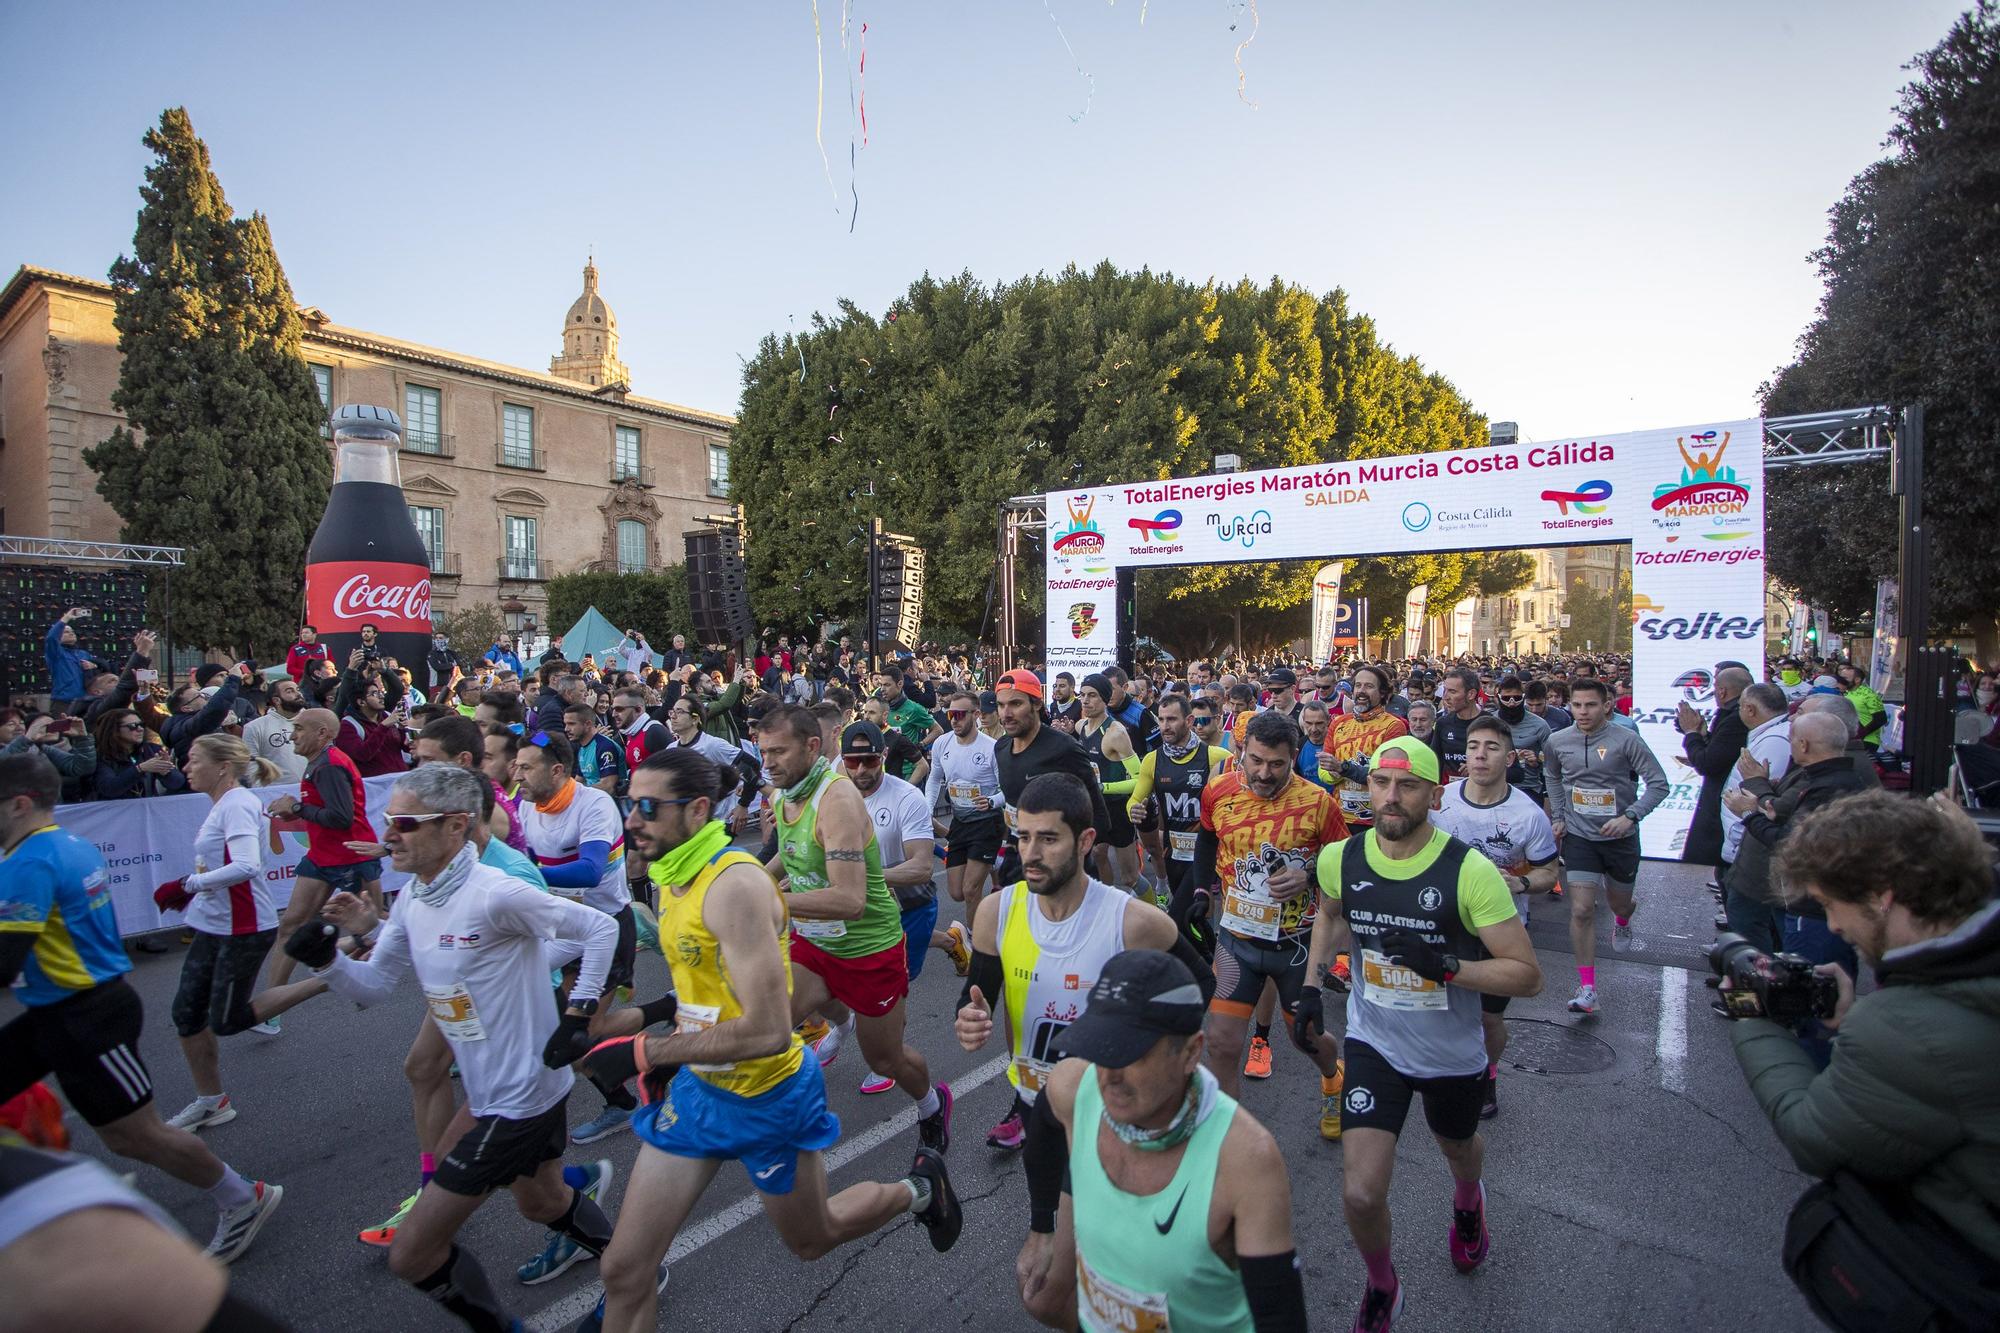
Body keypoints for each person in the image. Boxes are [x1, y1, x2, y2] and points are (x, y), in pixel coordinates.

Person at [585, 747, 963, 1333]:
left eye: (645, 806)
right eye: (627, 803)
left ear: (699, 809)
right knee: (625, 1270)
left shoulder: (731, 885)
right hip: (699, 1094)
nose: (630, 818)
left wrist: (646, 1050)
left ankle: (918, 1189)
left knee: (815, 1239)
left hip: (768, 1096)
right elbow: (705, 992)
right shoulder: (672, 875)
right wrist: (667, 1038)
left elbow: (764, 1030)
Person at [283, 763, 620, 1331]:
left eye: (406, 824)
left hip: (521, 1098)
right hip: (489, 1090)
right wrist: (328, 961)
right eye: (390, 821)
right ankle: (633, 1268)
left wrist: (579, 1015)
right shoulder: (415, 897)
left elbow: (601, 929)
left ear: (456, 826)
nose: (389, 834)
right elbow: (374, 987)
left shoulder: (495, 893)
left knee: (412, 1253)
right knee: (542, 1202)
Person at [0, 750, 283, 1264]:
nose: (188, 763)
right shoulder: (66, 844)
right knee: (184, 1024)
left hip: (87, 1016)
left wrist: (191, 886)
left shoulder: (31, 861)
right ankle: (48, 1201)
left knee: (136, 1136)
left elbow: (3, 962)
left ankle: (243, 1197)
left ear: (19, 804)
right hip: (61, 1008)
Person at [1300, 736, 1543, 1332]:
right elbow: (1331, 915)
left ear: (1434, 795)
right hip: (1374, 1042)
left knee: (1456, 1147)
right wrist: (1310, 987)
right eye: (1382, 782)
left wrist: (1449, 968)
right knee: (1360, 1193)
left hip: (1450, 1052)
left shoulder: (1469, 871)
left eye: (1407, 786)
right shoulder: (1342, 857)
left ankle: (1468, 1202)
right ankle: (1383, 1285)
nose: (1390, 796)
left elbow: (1527, 974)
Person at [1727, 792, 2000, 1271]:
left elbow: (1814, 1137)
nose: (1833, 924)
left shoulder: (1909, 1025)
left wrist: (1753, 1013)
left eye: (1831, 904)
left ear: (1882, 895)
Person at [1017, 949, 1308, 1332]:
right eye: (1103, 1047)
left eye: (1131, 1055)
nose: (1110, 1075)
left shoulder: (1244, 1158)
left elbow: (1280, 1319)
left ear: (1190, 1053)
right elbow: (1043, 1123)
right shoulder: (1076, 1086)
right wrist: (1042, 1226)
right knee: (1039, 1300)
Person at [955, 772, 1196, 1155]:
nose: (1030, 854)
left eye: (1048, 839)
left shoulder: (1131, 920)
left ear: (1084, 842)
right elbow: (975, 998)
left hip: (1113, 1109)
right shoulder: (995, 912)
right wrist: (970, 1018)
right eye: (1023, 837)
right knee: (1043, 1213)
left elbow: (1201, 993)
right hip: (1035, 1097)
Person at [755, 704, 952, 1148]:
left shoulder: (839, 800)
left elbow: (849, 898)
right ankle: (785, 1125)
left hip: (868, 946)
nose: (768, 763)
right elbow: (785, 859)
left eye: (778, 752)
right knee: (769, 1028)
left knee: (884, 1060)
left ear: (811, 748)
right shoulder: (783, 793)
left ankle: (932, 1106)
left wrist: (766, 902)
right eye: (763, 752)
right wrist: (742, 882)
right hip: (814, 939)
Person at [1192, 711, 1348, 1122]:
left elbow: (1346, 864)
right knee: (1222, 1044)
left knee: (1308, 1038)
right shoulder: (1218, 790)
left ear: (1294, 757)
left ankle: (1334, 1076)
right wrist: (1199, 889)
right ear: (1241, 752)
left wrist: (1309, 874)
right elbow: (1207, 837)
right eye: (1255, 760)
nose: (1264, 773)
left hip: (1297, 943)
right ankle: (1227, 1138)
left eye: (1277, 764)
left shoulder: (1318, 802)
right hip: (1236, 941)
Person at [514, 730, 640, 1146]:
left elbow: (588, 870)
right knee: (570, 1031)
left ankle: (665, 1032)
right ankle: (625, 1092)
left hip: (604, 927)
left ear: (557, 769)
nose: (518, 774)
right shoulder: (526, 804)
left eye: (527, 767)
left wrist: (525, 876)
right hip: (561, 927)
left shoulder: (594, 804)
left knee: (580, 1035)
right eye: (516, 765)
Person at [154, 735, 286, 1129]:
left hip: (244, 926)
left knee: (228, 1019)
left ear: (223, 767)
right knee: (186, 1013)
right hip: (213, 923)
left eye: (194, 760)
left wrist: (187, 886)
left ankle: (327, 975)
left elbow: (247, 866)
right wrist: (195, 891)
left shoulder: (238, 805)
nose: (186, 768)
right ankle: (212, 1101)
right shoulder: (225, 804)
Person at [1431, 715, 1559, 1119]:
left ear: (1508, 756)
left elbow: (1548, 872)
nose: (1480, 756)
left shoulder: (1528, 814)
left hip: (1499, 930)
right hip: (1444, 922)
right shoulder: (1441, 799)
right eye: (1473, 747)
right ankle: (1442, 1071)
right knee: (1441, 1008)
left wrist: (1519, 885)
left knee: (1488, 1018)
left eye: (1491, 748)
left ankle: (1487, 1074)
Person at [840, 720, 961, 1094]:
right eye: (852, 761)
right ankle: (953, 941)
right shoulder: (833, 791)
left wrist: (862, 879)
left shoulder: (906, 797)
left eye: (870, 760)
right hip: (861, 908)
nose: (861, 770)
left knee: (893, 986)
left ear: (885, 756)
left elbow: (922, 866)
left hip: (911, 905)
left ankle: (889, 1059)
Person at [1543, 678, 1669, 1015]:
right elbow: (1553, 776)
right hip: (1580, 838)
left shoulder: (1626, 739)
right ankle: (1587, 989)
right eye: (1577, 705)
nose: (1582, 712)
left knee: (1619, 903)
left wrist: (1630, 816)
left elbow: (1659, 785)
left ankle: (1624, 917)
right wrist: (1559, 814)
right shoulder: (1557, 740)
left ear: (1607, 706)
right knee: (1581, 910)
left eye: (1591, 705)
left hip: (1620, 839)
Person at [261, 708, 382, 994]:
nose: (292, 736)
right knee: (291, 925)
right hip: (322, 857)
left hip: (352, 856)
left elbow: (340, 818)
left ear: (322, 733)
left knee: (376, 922)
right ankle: (270, 1005)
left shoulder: (329, 765)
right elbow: (326, 813)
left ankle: (440, 943)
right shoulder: (318, 762)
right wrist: (298, 813)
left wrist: (297, 808)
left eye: (299, 729)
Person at [992, 669, 1112, 894]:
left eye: (1015, 704)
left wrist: (1068, 858)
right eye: (1000, 705)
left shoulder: (1063, 749)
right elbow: (1012, 808)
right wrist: (1008, 849)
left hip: (1064, 870)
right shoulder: (1000, 748)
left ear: (1036, 704)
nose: (1006, 714)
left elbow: (1099, 816)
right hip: (1019, 863)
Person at [1124, 693, 1229, 915]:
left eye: (1171, 719)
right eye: (1161, 720)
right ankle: (1207, 948)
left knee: (1182, 914)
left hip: (1205, 851)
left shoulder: (1216, 757)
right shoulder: (1153, 760)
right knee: (1196, 917)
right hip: (1173, 853)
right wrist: (1134, 810)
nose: (1165, 726)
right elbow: (1135, 799)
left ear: (1189, 721)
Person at [924, 688, 1004, 958]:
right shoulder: (942, 744)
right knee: (957, 892)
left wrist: (992, 801)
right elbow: (935, 778)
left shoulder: (991, 748)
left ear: (976, 715)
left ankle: (974, 942)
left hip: (987, 822)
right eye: (950, 714)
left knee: (971, 890)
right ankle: (997, 863)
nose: (954, 719)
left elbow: (1007, 788)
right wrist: (926, 808)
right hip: (960, 821)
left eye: (959, 714)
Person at [1677, 665, 1752, 870]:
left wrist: (1692, 733)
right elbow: (1719, 752)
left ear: (1722, 691)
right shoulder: (1731, 714)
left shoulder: (1735, 719)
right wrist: (1703, 736)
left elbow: (1708, 763)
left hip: (1723, 799)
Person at [1077, 674, 1142, 890]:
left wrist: (1104, 787)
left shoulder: (1116, 733)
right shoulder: (1080, 726)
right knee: (1096, 854)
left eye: (1092, 695)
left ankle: (1155, 911)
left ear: (1105, 699)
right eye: (1082, 695)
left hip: (1118, 809)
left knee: (1130, 877)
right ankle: (1107, 905)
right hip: (1095, 807)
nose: (1085, 700)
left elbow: (1140, 779)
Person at [1326, 666, 1408, 833]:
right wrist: (1331, 773)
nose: (1361, 691)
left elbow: (1387, 776)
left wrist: (1343, 768)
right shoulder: (1338, 723)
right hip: (1340, 816)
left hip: (1376, 819)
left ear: (1383, 693)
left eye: (1369, 686)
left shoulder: (1393, 726)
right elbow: (1325, 767)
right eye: (1358, 686)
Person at [332, 650, 409, 777]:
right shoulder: (348, 725)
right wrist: (351, 669)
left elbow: (403, 747)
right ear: (361, 702)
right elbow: (362, 755)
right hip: (373, 788)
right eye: (374, 694)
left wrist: (403, 731)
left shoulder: (385, 715)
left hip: (399, 782)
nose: (381, 697)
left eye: (380, 692)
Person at [242, 676, 308, 785]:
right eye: (289, 691)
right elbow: (251, 765)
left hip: (311, 792)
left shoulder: (314, 721)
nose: (298, 694)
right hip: (275, 794)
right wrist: (262, 791)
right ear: (276, 700)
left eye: (298, 690)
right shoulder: (254, 727)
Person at [43, 607, 101, 716]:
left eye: (72, 631)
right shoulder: (56, 653)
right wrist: (66, 618)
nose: (71, 633)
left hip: (85, 701)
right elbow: (51, 638)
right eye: (66, 632)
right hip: (64, 702)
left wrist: (94, 666)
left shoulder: (83, 654)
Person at [1431, 669, 1485, 780]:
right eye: (1445, 690)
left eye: (1452, 692)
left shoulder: (1491, 725)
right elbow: (1434, 763)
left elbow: (1515, 772)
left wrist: (1480, 769)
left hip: (1482, 793)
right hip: (1448, 793)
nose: (1445, 697)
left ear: (1471, 694)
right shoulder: (1442, 723)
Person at [564, 702, 626, 797]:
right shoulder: (583, 748)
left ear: (588, 724)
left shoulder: (605, 747)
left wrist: (577, 794)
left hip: (609, 804)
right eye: (565, 724)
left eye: (571, 724)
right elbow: (579, 781)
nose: (566, 729)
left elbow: (608, 787)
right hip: (592, 800)